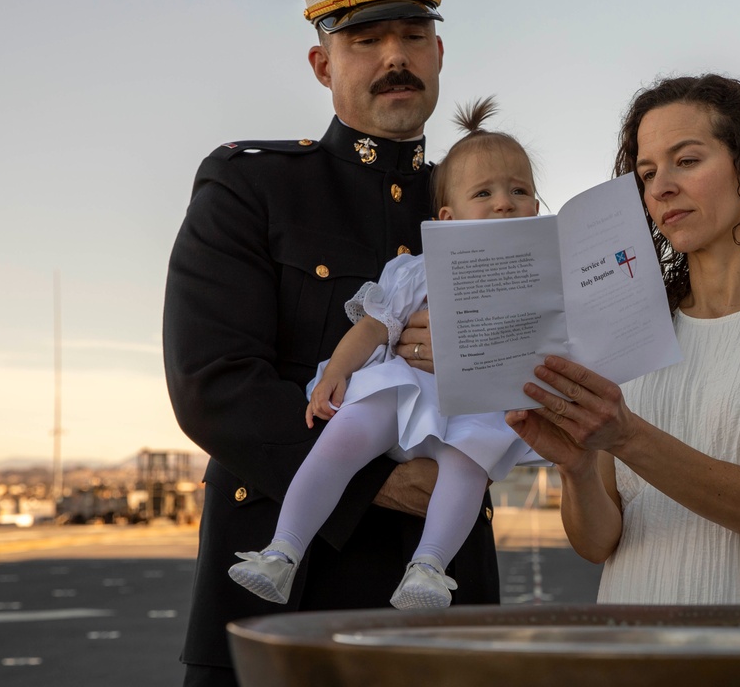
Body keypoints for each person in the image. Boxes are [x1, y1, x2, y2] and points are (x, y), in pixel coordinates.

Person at [163, 0, 500, 687]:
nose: (394, 58)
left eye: (413, 35)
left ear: (439, 51)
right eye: (364, 41)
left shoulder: (485, 204)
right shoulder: (250, 188)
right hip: (286, 612)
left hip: (448, 612)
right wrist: (378, 480)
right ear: (322, 64)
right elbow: (213, 382)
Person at [505, 74, 740, 605]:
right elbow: (597, 543)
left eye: (687, 160)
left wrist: (626, 436)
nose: (661, 187)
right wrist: (578, 468)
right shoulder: (630, 324)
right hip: (634, 642)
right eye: (647, 172)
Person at [228, 97, 543, 610]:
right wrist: (336, 370)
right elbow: (376, 327)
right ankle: (282, 550)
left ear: (535, 207)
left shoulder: (540, 283)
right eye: (483, 193)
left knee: (467, 467)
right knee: (341, 437)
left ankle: (429, 567)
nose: (504, 202)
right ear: (447, 216)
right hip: (404, 391)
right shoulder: (417, 269)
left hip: (472, 407)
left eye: (519, 191)